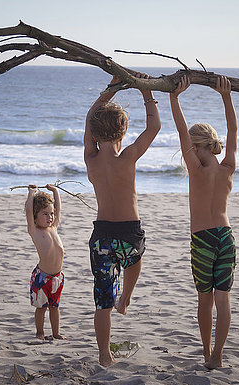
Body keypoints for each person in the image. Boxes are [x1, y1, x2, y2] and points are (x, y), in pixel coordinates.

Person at [84, 74, 161, 366]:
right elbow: (154, 126)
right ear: (122, 135)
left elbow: (90, 118)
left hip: (101, 236)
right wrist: (146, 91)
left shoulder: (90, 159)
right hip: (129, 233)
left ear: (93, 134)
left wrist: (110, 90)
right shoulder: (127, 157)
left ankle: (104, 355)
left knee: (102, 304)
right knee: (136, 255)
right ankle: (126, 298)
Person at [169, 75, 238, 369]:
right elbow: (234, 129)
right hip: (226, 236)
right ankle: (218, 356)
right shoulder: (228, 168)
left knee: (204, 300)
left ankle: (206, 351)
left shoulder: (195, 170)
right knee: (223, 299)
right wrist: (226, 97)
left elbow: (180, 130)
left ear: (196, 147)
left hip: (203, 240)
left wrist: (174, 98)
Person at [25, 184, 66, 340]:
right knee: (41, 308)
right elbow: (28, 210)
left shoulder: (54, 227)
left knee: (54, 307)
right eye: (45, 214)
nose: (50, 217)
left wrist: (55, 191)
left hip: (57, 278)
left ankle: (56, 333)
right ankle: (40, 333)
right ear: (35, 216)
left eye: (51, 214)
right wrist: (31, 194)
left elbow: (58, 208)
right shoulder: (34, 231)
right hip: (42, 277)